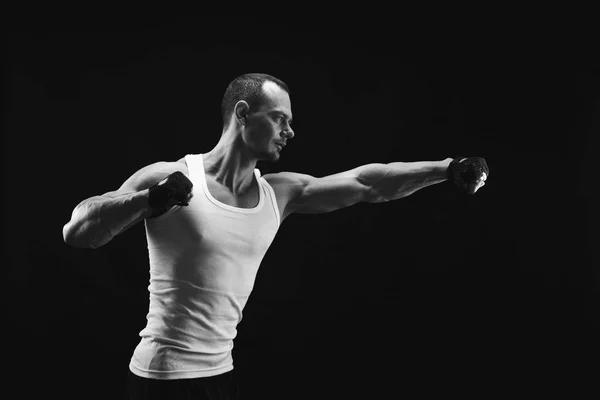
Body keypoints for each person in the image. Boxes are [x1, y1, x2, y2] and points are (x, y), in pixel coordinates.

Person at [62, 73, 489, 399]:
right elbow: (79, 230)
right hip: (161, 378)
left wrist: (447, 168)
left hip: (221, 375)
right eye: (279, 118)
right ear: (243, 113)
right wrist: (147, 200)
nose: (290, 131)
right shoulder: (171, 176)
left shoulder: (279, 193)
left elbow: (366, 183)